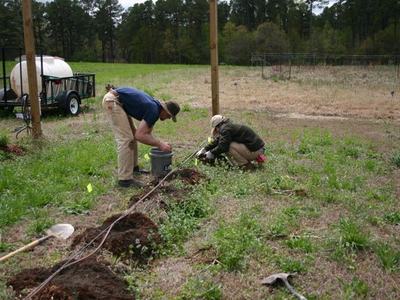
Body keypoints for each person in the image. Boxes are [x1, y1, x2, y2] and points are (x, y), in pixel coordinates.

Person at [102, 85, 180, 187]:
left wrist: (161, 143)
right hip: (113, 102)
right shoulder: (154, 110)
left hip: (119, 102)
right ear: (165, 111)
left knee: (132, 137)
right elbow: (140, 135)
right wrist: (160, 144)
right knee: (126, 139)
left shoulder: (155, 108)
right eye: (169, 116)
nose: (168, 119)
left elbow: (146, 134)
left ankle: (134, 169)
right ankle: (125, 180)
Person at [196, 115, 266, 169]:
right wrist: (205, 149)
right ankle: (246, 164)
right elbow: (218, 141)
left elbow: (223, 147)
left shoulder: (225, 129)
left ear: (217, 127)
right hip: (257, 150)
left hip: (256, 151)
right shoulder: (227, 127)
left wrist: (211, 152)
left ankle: (246, 166)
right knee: (226, 144)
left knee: (228, 146)